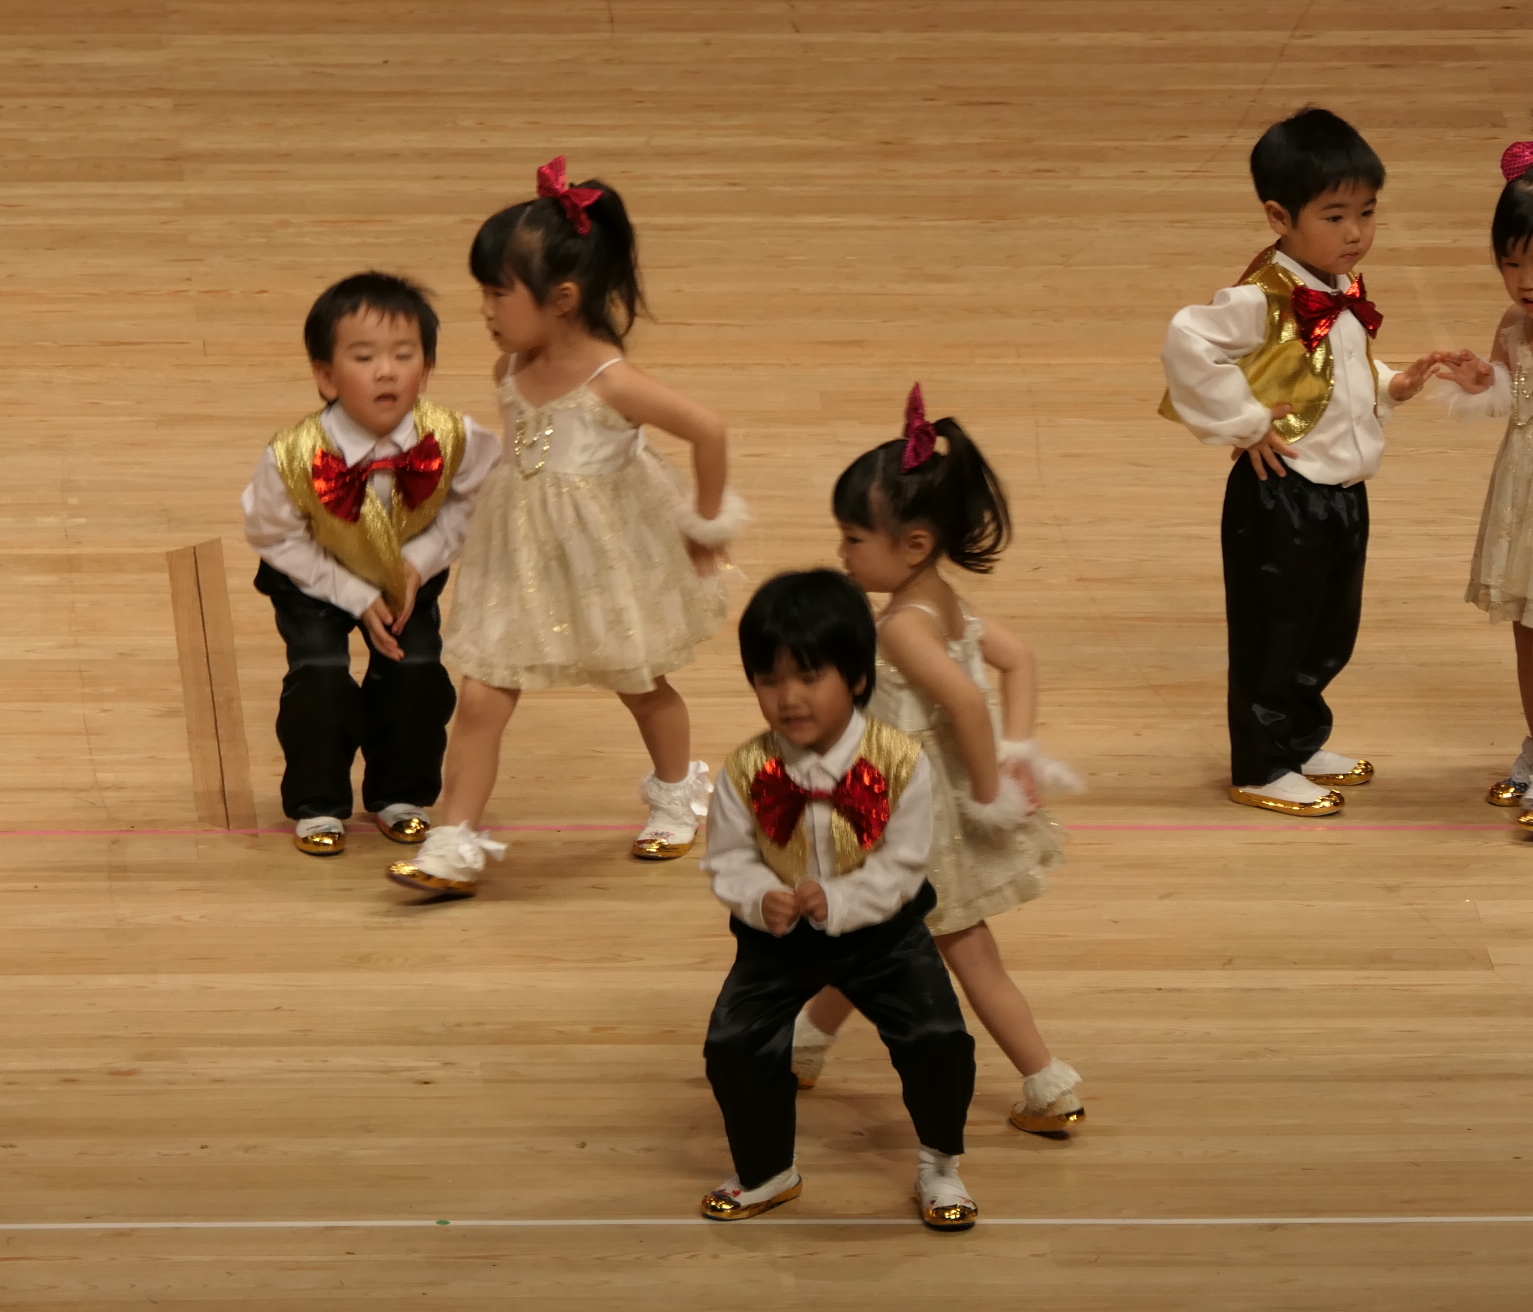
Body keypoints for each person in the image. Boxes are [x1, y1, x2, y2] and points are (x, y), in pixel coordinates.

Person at [387, 158, 745, 899]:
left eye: (498, 293)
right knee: (481, 697)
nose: (485, 310)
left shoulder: (611, 381)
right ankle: (454, 843)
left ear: (564, 299)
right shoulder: (510, 368)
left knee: (640, 682)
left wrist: (705, 526)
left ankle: (678, 794)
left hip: (603, 555)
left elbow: (708, 430)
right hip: (520, 552)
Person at [802, 386, 1086, 1137]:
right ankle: (805, 1041)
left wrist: (990, 793)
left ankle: (1047, 1083)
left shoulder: (902, 625)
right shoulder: (944, 602)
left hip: (916, 820)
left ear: (915, 545)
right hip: (925, 806)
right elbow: (1018, 661)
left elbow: (962, 701)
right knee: (874, 936)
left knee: (965, 951)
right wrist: (1015, 752)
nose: (842, 553)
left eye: (853, 538)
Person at [1161, 108, 1461, 817]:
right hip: (1281, 496)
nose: (1356, 232)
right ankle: (1261, 766)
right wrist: (1245, 423)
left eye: (1367, 212)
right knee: (1275, 633)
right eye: (1335, 216)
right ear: (1280, 216)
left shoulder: (1338, 289)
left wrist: (1393, 385)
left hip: (1342, 492)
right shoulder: (1261, 296)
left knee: (1328, 631)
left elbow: (1334, 375)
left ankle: (1296, 739)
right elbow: (1187, 341)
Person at [699, 569, 979, 1231]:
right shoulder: (744, 771)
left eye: (808, 676)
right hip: (777, 938)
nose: (789, 698)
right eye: (769, 680)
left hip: (884, 934)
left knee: (938, 1036)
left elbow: (904, 863)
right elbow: (727, 857)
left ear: (855, 677)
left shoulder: (901, 761)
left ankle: (941, 1162)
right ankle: (768, 1170)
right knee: (734, 1042)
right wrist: (759, 896)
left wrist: (841, 898)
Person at [241, 272, 498, 856]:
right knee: (319, 671)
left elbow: (477, 501)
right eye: (364, 357)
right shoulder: (292, 454)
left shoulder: (455, 436)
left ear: (425, 371)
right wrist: (355, 596)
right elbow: (273, 534)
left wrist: (420, 562)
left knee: (418, 668)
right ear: (326, 376)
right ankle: (318, 801)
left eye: (404, 355)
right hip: (313, 575)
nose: (387, 371)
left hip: (406, 573)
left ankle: (400, 794)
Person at [1436, 123, 1533, 828]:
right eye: (1512, 263)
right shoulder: (1514, 324)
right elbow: (1510, 398)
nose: (1526, 282)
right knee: (1523, 629)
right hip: (1525, 500)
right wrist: (1484, 383)